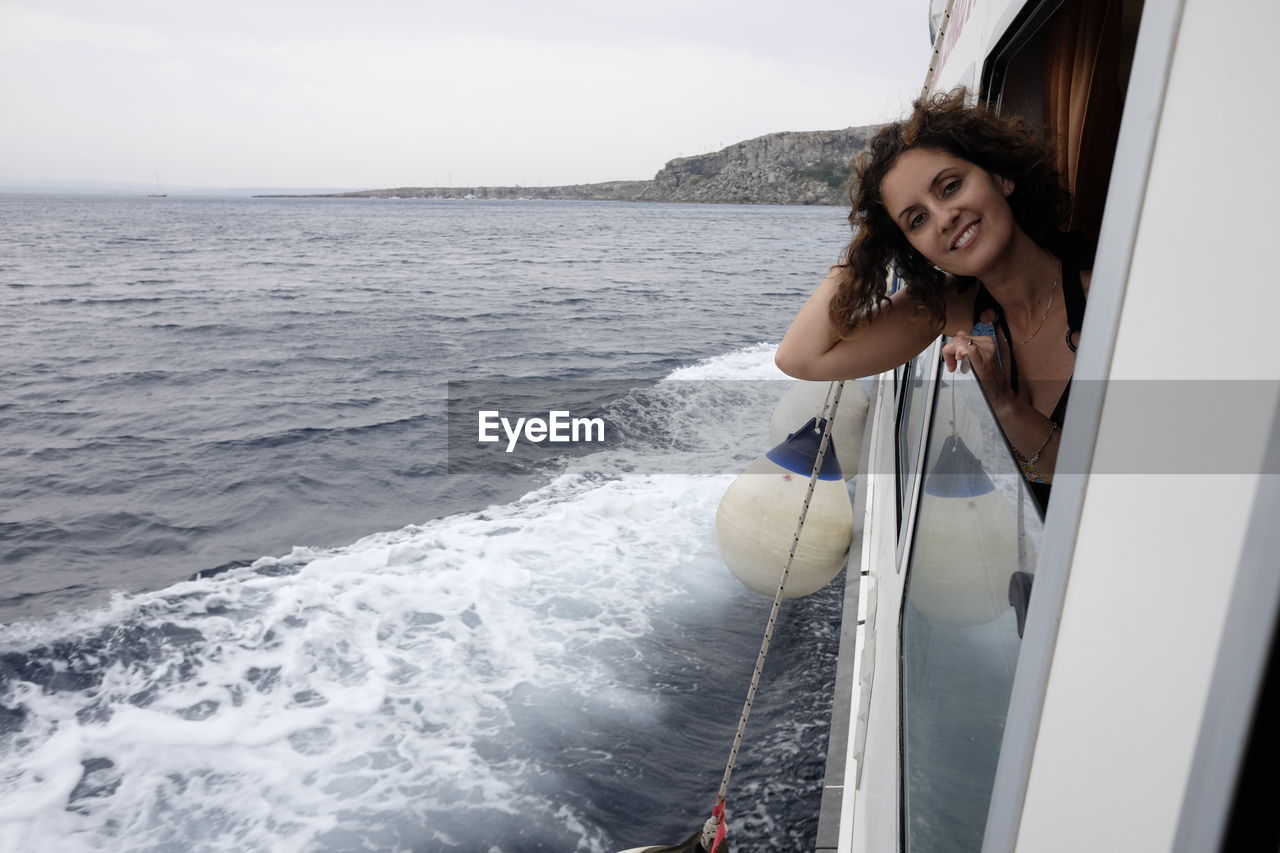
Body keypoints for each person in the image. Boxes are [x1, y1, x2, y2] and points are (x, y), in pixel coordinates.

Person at [775, 90, 1091, 508]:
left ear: (1001, 176)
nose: (944, 219)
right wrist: (869, 244)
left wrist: (1004, 404)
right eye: (917, 220)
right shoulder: (954, 306)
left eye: (950, 186)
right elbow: (800, 358)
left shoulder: (1111, 299)